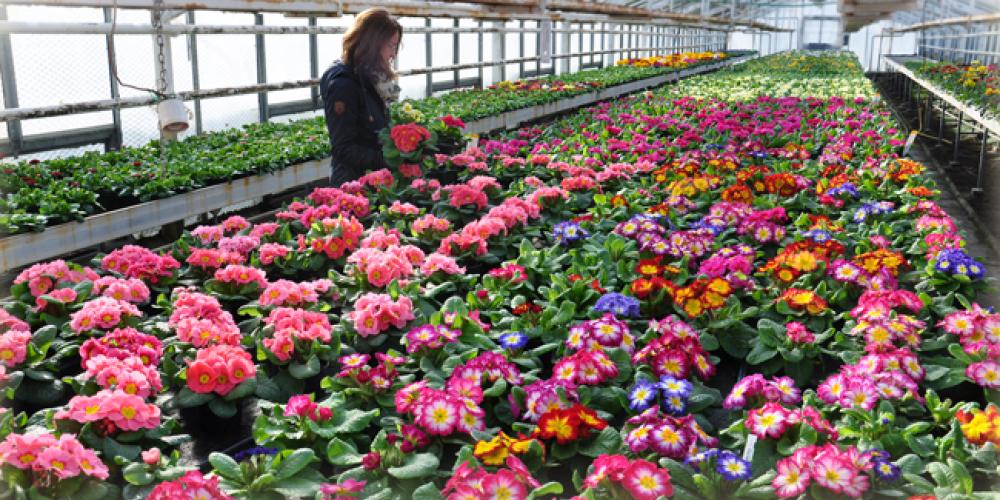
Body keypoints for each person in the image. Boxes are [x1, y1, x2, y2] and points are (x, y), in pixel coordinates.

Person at [320, 8, 402, 186]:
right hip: (353, 185)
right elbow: (343, 148)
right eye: (391, 45)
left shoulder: (368, 76)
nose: (393, 54)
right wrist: (389, 159)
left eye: (396, 46)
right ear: (372, 43)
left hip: (372, 178)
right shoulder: (344, 84)